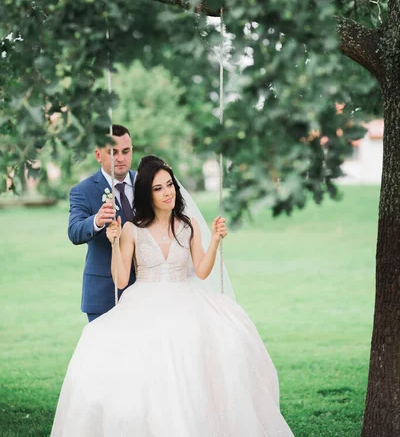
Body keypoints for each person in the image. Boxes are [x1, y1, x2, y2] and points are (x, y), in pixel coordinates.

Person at [52, 158, 295, 436]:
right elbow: (120, 280)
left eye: (170, 185)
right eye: (159, 188)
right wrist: (115, 241)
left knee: (212, 347)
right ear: (147, 194)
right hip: (143, 300)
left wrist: (215, 239)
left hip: (185, 298)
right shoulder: (133, 229)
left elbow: (202, 271)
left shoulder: (189, 224)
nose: (168, 192)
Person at [68, 124, 136, 322]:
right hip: (103, 293)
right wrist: (97, 221)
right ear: (98, 155)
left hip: (145, 290)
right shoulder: (83, 190)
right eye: (113, 152)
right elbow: (74, 231)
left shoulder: (146, 185)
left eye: (126, 151)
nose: (121, 158)